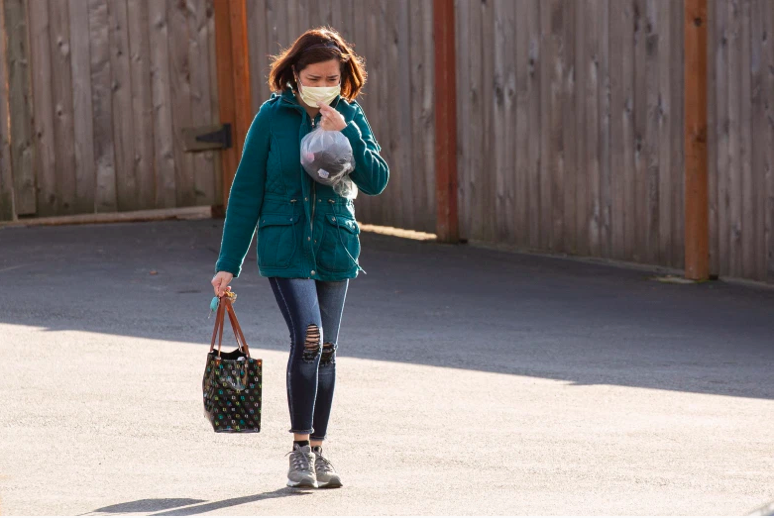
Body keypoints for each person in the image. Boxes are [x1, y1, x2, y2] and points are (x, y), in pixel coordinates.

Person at [210, 27, 389, 489]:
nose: (325, 84)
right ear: (293, 74)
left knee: (327, 349)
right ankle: (298, 451)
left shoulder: (350, 114)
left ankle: (318, 451)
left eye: (333, 77)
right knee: (309, 339)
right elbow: (247, 190)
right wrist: (228, 262)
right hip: (285, 246)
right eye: (315, 76)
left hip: (334, 245)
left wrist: (346, 133)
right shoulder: (272, 119)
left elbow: (376, 181)